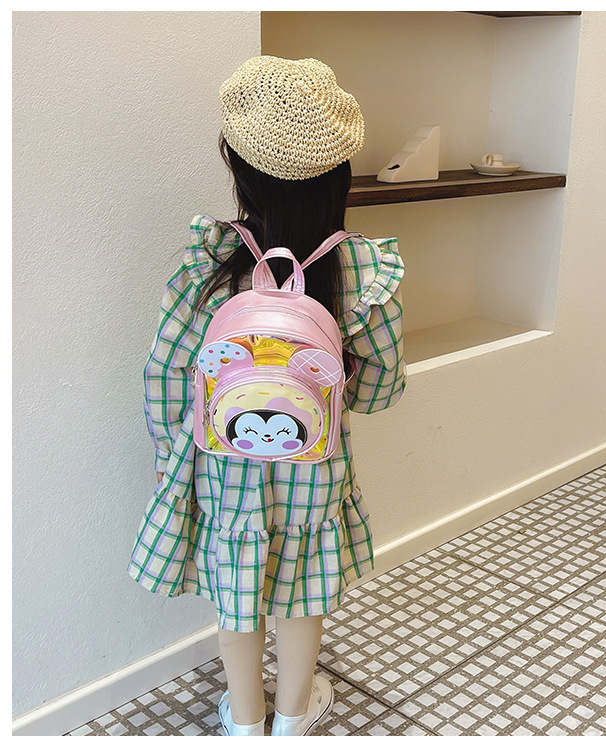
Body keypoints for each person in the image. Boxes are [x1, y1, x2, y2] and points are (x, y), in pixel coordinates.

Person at [128, 55, 406, 736]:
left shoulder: (209, 258)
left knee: (238, 589)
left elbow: (167, 373)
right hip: (314, 461)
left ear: (237, 165)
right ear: (339, 171)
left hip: (222, 459)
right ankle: (293, 716)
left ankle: (245, 721)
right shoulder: (363, 265)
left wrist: (169, 453)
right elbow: (379, 387)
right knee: (302, 588)